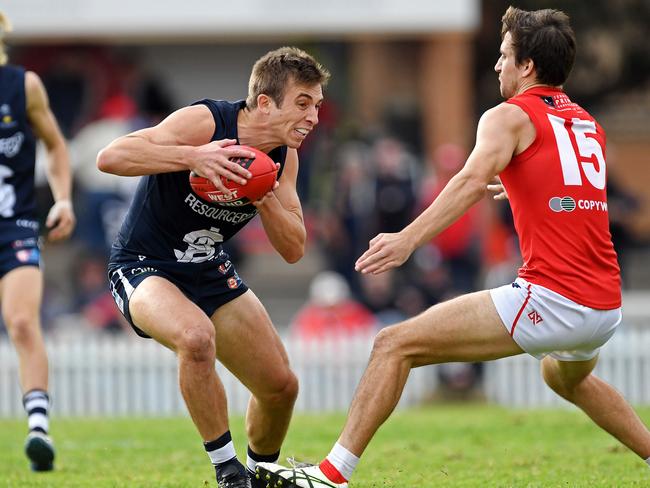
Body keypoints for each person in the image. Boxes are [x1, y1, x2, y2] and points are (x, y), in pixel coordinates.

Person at [256, 8, 650, 487]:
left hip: (554, 299)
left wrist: (408, 239)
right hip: (605, 305)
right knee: (564, 377)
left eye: (504, 56)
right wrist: (527, 191)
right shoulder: (585, 122)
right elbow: (577, 193)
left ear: (527, 67)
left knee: (393, 344)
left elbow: (468, 181)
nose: (497, 66)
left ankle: (330, 476)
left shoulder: (507, 116)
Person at [97, 46, 329, 488]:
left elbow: (295, 248)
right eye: (303, 103)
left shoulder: (284, 158)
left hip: (208, 267)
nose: (314, 117)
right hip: (145, 265)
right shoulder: (206, 122)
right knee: (195, 337)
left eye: (317, 106)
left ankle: (260, 476)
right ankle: (228, 471)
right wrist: (193, 157)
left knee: (281, 387)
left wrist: (266, 199)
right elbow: (110, 157)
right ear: (265, 102)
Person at [0, 12, 76, 472]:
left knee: (23, 322)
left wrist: (63, 199)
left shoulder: (22, 85)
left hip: (16, 226)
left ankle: (38, 429)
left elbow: (56, 145)